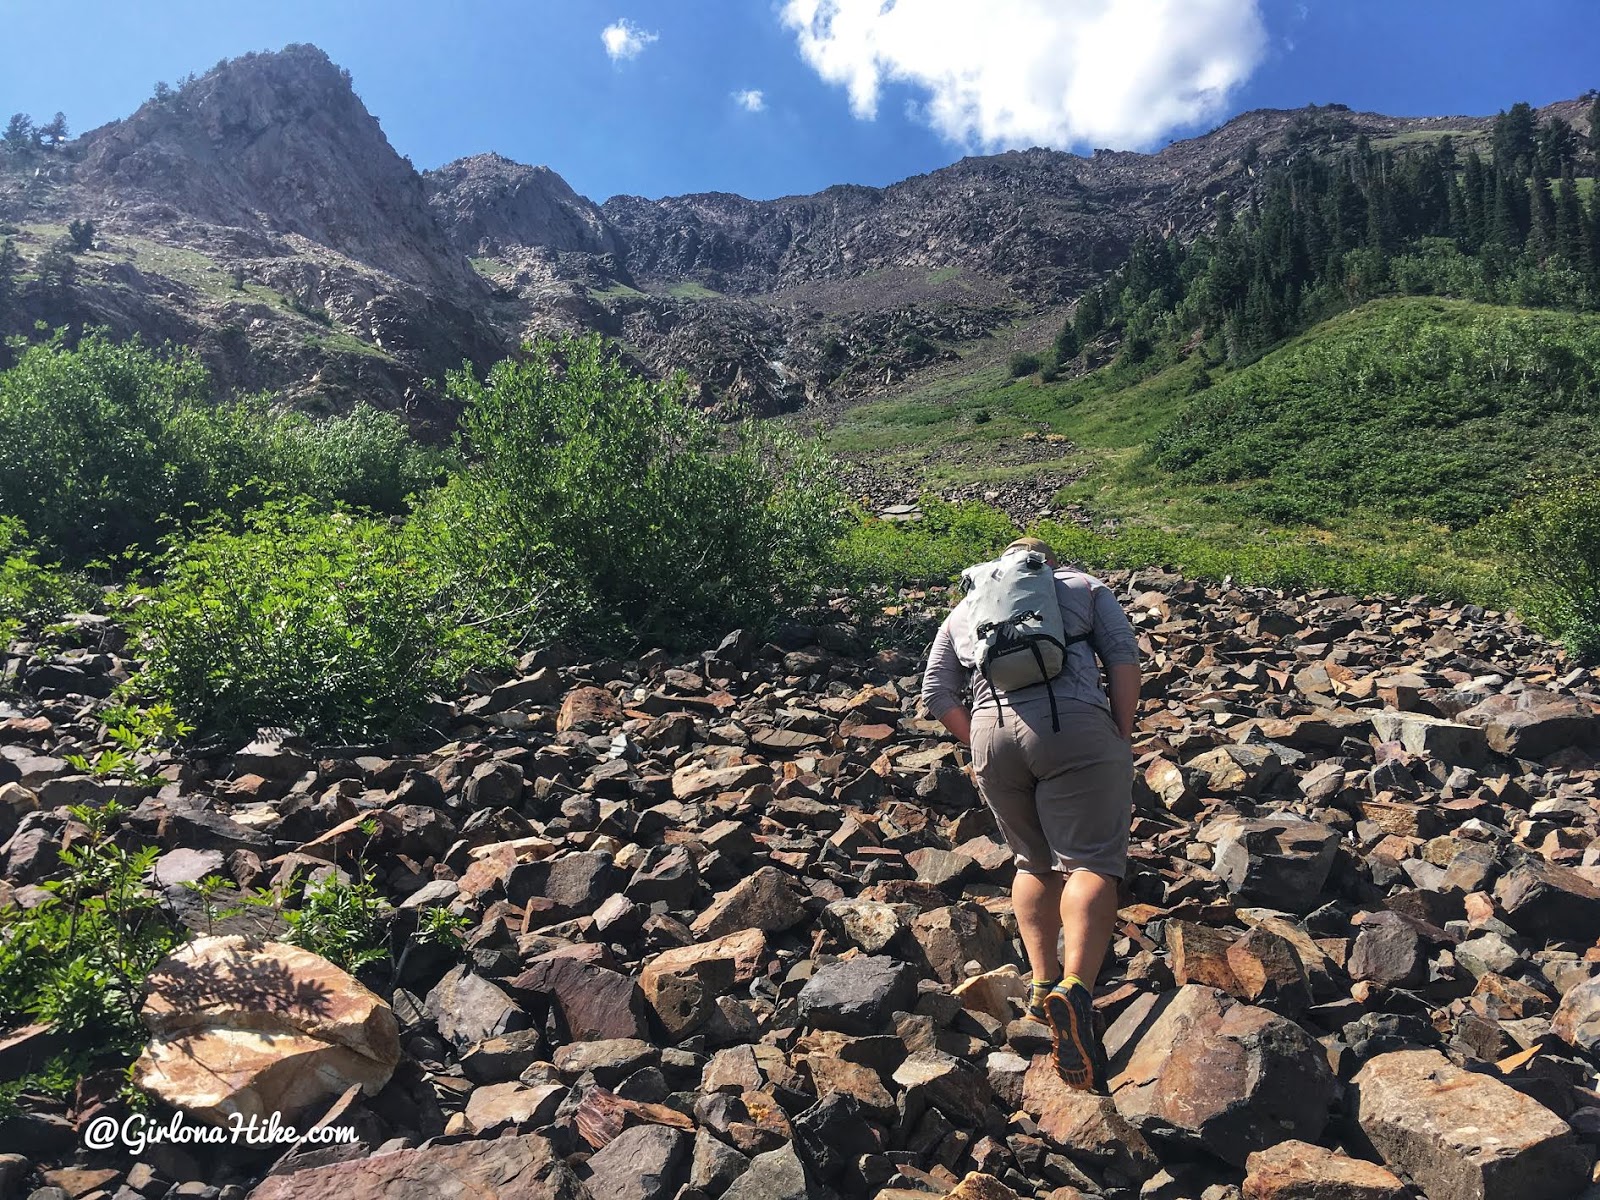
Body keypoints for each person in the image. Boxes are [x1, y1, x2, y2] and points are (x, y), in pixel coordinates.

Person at [920, 537, 1140, 1092]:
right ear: (1048, 563)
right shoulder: (1083, 587)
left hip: (992, 734)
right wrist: (1119, 728)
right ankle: (1077, 989)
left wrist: (978, 743)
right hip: (1074, 727)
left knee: (1031, 862)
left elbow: (935, 691)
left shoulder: (967, 608)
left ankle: (1042, 986)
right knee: (1091, 861)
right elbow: (1122, 657)